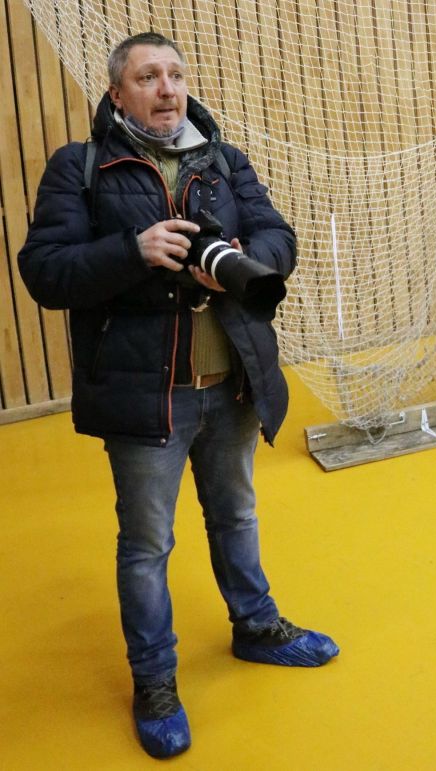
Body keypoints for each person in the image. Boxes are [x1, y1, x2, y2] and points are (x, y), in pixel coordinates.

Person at [18, 32, 338, 759]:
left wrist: (242, 260)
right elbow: (45, 270)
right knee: (147, 546)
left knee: (237, 515)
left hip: (233, 384)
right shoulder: (81, 166)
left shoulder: (223, 160)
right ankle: (155, 681)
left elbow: (278, 235)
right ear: (117, 92)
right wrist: (132, 251)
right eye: (148, 76)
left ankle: (257, 627)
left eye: (175, 74)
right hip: (147, 397)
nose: (167, 88)